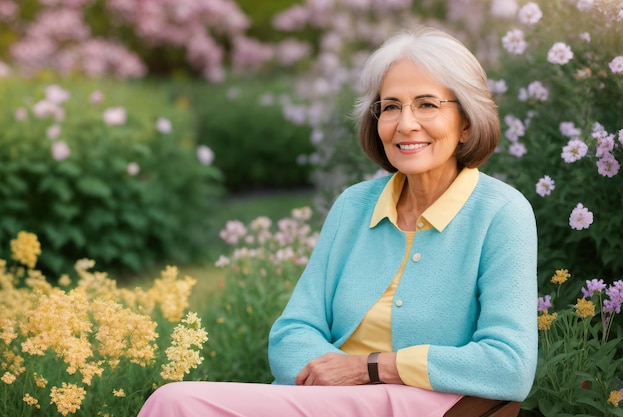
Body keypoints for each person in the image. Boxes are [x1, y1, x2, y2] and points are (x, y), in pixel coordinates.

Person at [137, 25, 538, 417]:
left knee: (176, 404)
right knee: (174, 404)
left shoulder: (501, 213)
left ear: (466, 122)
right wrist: (333, 378)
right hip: (325, 402)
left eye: (427, 104)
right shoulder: (354, 206)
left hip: (428, 404)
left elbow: (509, 365)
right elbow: (292, 332)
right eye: (391, 106)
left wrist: (369, 369)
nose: (405, 123)